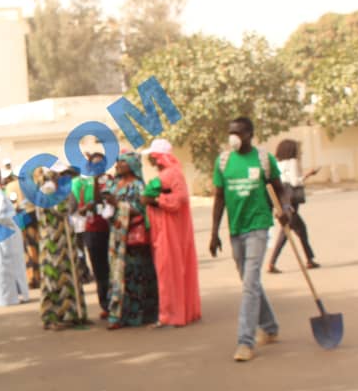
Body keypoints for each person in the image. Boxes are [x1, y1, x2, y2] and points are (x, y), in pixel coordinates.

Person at [210, 117, 291, 362]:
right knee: (250, 282)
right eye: (230, 132)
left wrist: (285, 207)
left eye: (237, 132)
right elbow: (219, 198)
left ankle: (245, 342)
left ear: (249, 134)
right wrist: (214, 232)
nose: (232, 136)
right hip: (235, 229)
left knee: (249, 285)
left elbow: (280, 188)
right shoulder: (223, 161)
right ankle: (270, 326)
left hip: (258, 226)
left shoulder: (264, 159)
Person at [142, 139, 202, 328]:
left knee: (168, 271)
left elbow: (179, 199)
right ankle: (179, 311)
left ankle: (170, 314)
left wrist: (155, 199)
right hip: (166, 227)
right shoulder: (171, 173)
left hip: (170, 229)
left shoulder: (171, 174)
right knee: (173, 268)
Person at [102, 151, 159, 330]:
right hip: (116, 235)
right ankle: (119, 312)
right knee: (117, 274)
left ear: (132, 165)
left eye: (122, 162)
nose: (118, 165)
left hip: (133, 237)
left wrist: (118, 204)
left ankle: (138, 314)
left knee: (135, 275)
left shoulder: (138, 185)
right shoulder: (114, 184)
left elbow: (142, 209)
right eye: (117, 162)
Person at [38, 165, 88, 329]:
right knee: (53, 278)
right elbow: (63, 209)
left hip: (65, 239)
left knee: (69, 278)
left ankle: (73, 314)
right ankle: (51, 318)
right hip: (54, 241)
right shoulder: (49, 189)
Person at [268, 139, 320, 273]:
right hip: (290, 200)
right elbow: (295, 182)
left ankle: (308, 259)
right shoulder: (293, 163)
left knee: (292, 230)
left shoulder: (277, 163)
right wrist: (308, 174)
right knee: (291, 230)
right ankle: (273, 262)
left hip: (281, 199)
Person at [0, 162, 30, 306]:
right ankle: (9, 298)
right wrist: (15, 212)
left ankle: (8, 298)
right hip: (3, 238)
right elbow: (0, 217)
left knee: (1, 270)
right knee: (6, 269)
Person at [74, 154, 112, 318]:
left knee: (113, 268)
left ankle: (117, 302)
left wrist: (97, 182)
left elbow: (103, 200)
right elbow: (81, 209)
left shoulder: (110, 180)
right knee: (99, 270)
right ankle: (105, 304)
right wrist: (86, 207)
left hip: (110, 229)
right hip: (92, 230)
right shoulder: (84, 184)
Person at [5, 161, 41, 290]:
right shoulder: (31, 184)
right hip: (31, 215)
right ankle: (37, 276)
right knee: (34, 247)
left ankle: (30, 276)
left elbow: (9, 203)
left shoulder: (9, 186)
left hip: (19, 217)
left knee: (24, 248)